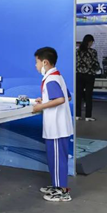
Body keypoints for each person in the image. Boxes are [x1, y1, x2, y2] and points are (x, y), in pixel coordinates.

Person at [32, 47, 73, 202]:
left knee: (57, 159)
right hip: (58, 126)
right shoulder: (57, 76)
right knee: (55, 158)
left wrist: (41, 106)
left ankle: (62, 191)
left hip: (57, 127)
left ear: (45, 62)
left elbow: (60, 99)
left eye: (36, 62)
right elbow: (67, 97)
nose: (35, 66)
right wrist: (45, 100)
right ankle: (57, 185)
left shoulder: (51, 79)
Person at [76, 34, 99, 121]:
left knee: (78, 95)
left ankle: (77, 115)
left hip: (79, 75)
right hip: (89, 75)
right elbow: (95, 63)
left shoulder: (77, 51)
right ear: (90, 42)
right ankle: (88, 116)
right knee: (88, 96)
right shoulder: (93, 52)